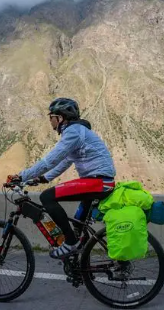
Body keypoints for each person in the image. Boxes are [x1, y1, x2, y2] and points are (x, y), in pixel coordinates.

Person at [10, 98, 116, 259]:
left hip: (97, 183)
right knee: (77, 228)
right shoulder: (78, 132)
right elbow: (66, 161)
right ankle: (80, 261)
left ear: (60, 118)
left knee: (46, 197)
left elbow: (51, 160)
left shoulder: (73, 132)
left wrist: (22, 176)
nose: (50, 121)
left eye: (51, 116)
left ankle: (71, 243)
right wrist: (42, 179)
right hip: (98, 182)